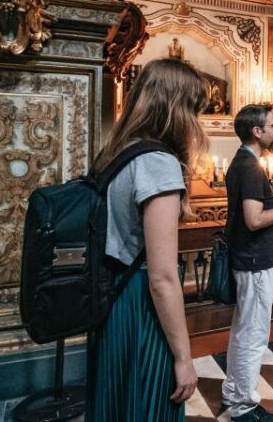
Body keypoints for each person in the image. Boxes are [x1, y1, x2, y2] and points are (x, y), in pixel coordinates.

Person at [87, 58, 207, 421]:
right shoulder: (158, 162)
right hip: (142, 305)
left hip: (114, 298)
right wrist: (185, 357)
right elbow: (162, 277)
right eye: (194, 109)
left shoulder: (118, 152)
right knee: (150, 405)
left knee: (119, 403)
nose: (197, 122)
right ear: (177, 108)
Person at [221, 104, 273, 422]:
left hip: (247, 259)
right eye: (272, 125)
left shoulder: (243, 162)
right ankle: (245, 407)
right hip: (255, 261)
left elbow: (255, 208)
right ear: (257, 131)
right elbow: (254, 220)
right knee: (254, 334)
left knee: (243, 331)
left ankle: (232, 392)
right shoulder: (251, 168)